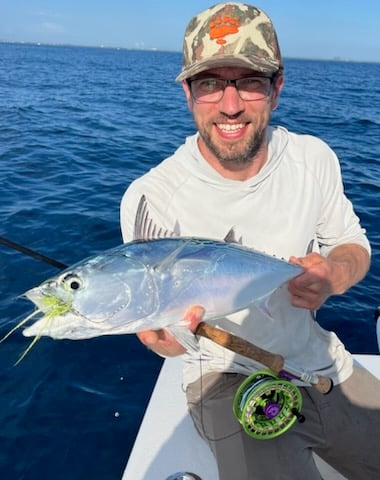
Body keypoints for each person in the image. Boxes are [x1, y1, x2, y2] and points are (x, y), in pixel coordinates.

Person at [120, 3, 380, 479]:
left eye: (251, 81)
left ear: (277, 87)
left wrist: (333, 275)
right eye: (210, 83)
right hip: (223, 381)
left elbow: (352, 245)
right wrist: (164, 340)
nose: (231, 104)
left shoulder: (313, 158)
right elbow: (167, 336)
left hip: (322, 360)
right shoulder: (150, 199)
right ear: (188, 93)